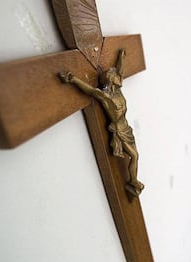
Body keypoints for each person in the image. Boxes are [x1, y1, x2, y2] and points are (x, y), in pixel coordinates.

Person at [58, 49, 144, 196]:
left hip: (127, 129)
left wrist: (120, 56)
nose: (117, 75)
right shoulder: (106, 97)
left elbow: (120, 69)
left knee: (136, 155)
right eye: (113, 74)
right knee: (134, 156)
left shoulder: (118, 89)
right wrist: (74, 79)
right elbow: (91, 90)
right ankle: (133, 181)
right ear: (110, 80)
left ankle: (133, 181)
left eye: (116, 74)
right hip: (119, 132)